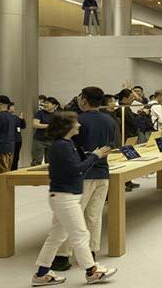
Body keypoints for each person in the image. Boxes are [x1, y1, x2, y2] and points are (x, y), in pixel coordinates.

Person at [30, 111, 116, 286]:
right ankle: (92, 271)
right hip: (65, 197)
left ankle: (41, 274)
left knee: (56, 236)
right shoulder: (62, 146)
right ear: (66, 126)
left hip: (63, 196)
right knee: (80, 234)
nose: (79, 125)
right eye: (75, 122)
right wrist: (95, 156)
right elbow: (77, 170)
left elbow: (76, 168)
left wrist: (91, 157)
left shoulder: (65, 144)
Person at [51, 87, 118, 273]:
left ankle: (63, 256)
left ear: (85, 100)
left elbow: (69, 148)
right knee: (94, 216)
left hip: (82, 175)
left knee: (71, 217)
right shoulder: (110, 120)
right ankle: (91, 252)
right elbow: (113, 144)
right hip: (103, 172)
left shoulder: (78, 121)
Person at [31, 96, 58, 166]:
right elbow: (35, 124)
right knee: (36, 161)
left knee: (50, 162)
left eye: (47, 103)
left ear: (54, 105)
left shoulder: (57, 114)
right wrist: (49, 126)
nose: (45, 105)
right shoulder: (40, 113)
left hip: (52, 141)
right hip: (39, 140)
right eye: (44, 103)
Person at [0, 95, 14, 174]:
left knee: (2, 172)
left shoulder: (0, 116)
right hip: (10, 146)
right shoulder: (12, 117)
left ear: (0, 104)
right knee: (7, 170)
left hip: (1, 147)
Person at [8, 102, 25, 171]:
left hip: (18, 140)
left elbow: (23, 126)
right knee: (9, 158)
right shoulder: (6, 117)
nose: (14, 108)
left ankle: (14, 170)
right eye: (12, 106)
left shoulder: (15, 117)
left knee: (16, 157)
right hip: (10, 141)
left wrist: (22, 119)